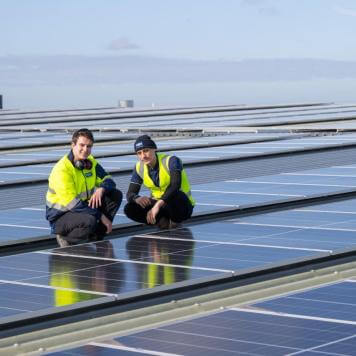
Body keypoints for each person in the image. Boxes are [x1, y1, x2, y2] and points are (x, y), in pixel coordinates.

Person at [46, 128, 122, 247]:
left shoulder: (90, 163)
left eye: (89, 146)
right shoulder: (63, 169)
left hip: (82, 208)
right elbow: (72, 204)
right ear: (73, 145)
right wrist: (100, 216)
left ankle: (96, 237)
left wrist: (101, 189)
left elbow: (109, 180)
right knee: (90, 220)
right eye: (82, 145)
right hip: (60, 216)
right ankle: (65, 238)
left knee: (115, 195)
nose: (85, 150)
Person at [124, 135, 195, 229]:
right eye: (139, 153)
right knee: (130, 208)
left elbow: (175, 185)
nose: (143, 156)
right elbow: (130, 193)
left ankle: (175, 221)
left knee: (176, 194)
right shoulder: (139, 168)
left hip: (181, 206)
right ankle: (161, 220)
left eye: (146, 151)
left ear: (154, 149)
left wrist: (157, 205)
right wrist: (136, 198)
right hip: (161, 207)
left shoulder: (172, 161)